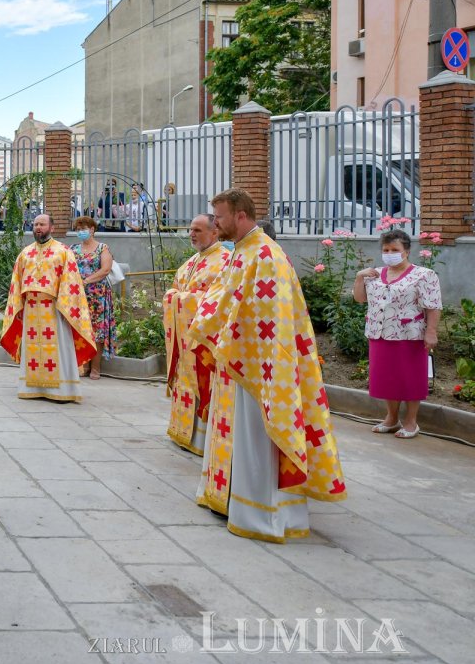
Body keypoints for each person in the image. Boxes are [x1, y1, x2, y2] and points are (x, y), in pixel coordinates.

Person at [188, 188, 347, 543]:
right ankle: (233, 499)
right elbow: (223, 299)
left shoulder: (266, 256)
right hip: (238, 360)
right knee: (238, 436)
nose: (216, 223)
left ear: (240, 215)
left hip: (260, 367)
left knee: (257, 437)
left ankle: (261, 512)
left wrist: (217, 329)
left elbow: (268, 319)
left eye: (220, 217)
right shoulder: (241, 253)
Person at [352, 229, 442, 439]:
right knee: (386, 377)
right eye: (386, 249)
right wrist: (359, 277)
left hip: (410, 334)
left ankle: (411, 422)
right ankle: (391, 418)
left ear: (407, 251)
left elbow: (433, 305)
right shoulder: (374, 274)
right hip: (380, 333)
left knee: (410, 378)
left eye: (395, 249)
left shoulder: (424, 275)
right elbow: (359, 299)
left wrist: (431, 331)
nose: (390, 252)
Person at [1, 213, 96, 402]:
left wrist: (65, 306)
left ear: (51, 228)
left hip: (55, 309)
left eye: (42, 224)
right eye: (35, 224)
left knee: (58, 348)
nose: (38, 227)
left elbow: (71, 282)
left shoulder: (63, 251)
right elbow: (16, 283)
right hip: (31, 309)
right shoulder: (25, 253)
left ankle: (61, 390)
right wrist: (18, 307)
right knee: (32, 350)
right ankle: (32, 387)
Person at [162, 214, 230, 455]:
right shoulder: (191, 262)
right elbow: (174, 288)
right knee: (184, 383)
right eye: (190, 229)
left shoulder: (224, 261)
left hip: (202, 340)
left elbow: (219, 301)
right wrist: (174, 298)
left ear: (215, 232)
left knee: (202, 382)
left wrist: (180, 300)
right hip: (183, 337)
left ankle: (201, 439)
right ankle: (182, 432)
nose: (192, 234)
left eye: (198, 230)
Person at [70, 215, 117, 379]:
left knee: (97, 332)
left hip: (98, 296)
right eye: (78, 229)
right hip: (79, 296)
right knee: (80, 329)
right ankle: (84, 364)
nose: (80, 232)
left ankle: (96, 367)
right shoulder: (73, 249)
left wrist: (86, 281)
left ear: (92, 229)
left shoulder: (102, 248)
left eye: (83, 229)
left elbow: (105, 270)